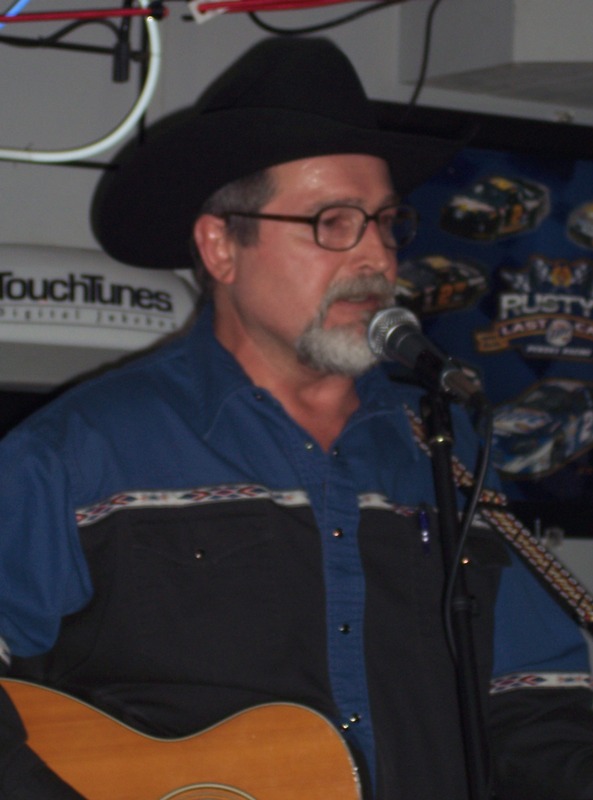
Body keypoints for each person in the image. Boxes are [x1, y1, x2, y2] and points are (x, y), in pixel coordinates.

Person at [1, 36, 593, 800]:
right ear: (221, 245)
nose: (376, 258)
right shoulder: (81, 452)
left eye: (385, 222)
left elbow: (530, 705)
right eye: (333, 222)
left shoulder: (443, 445)